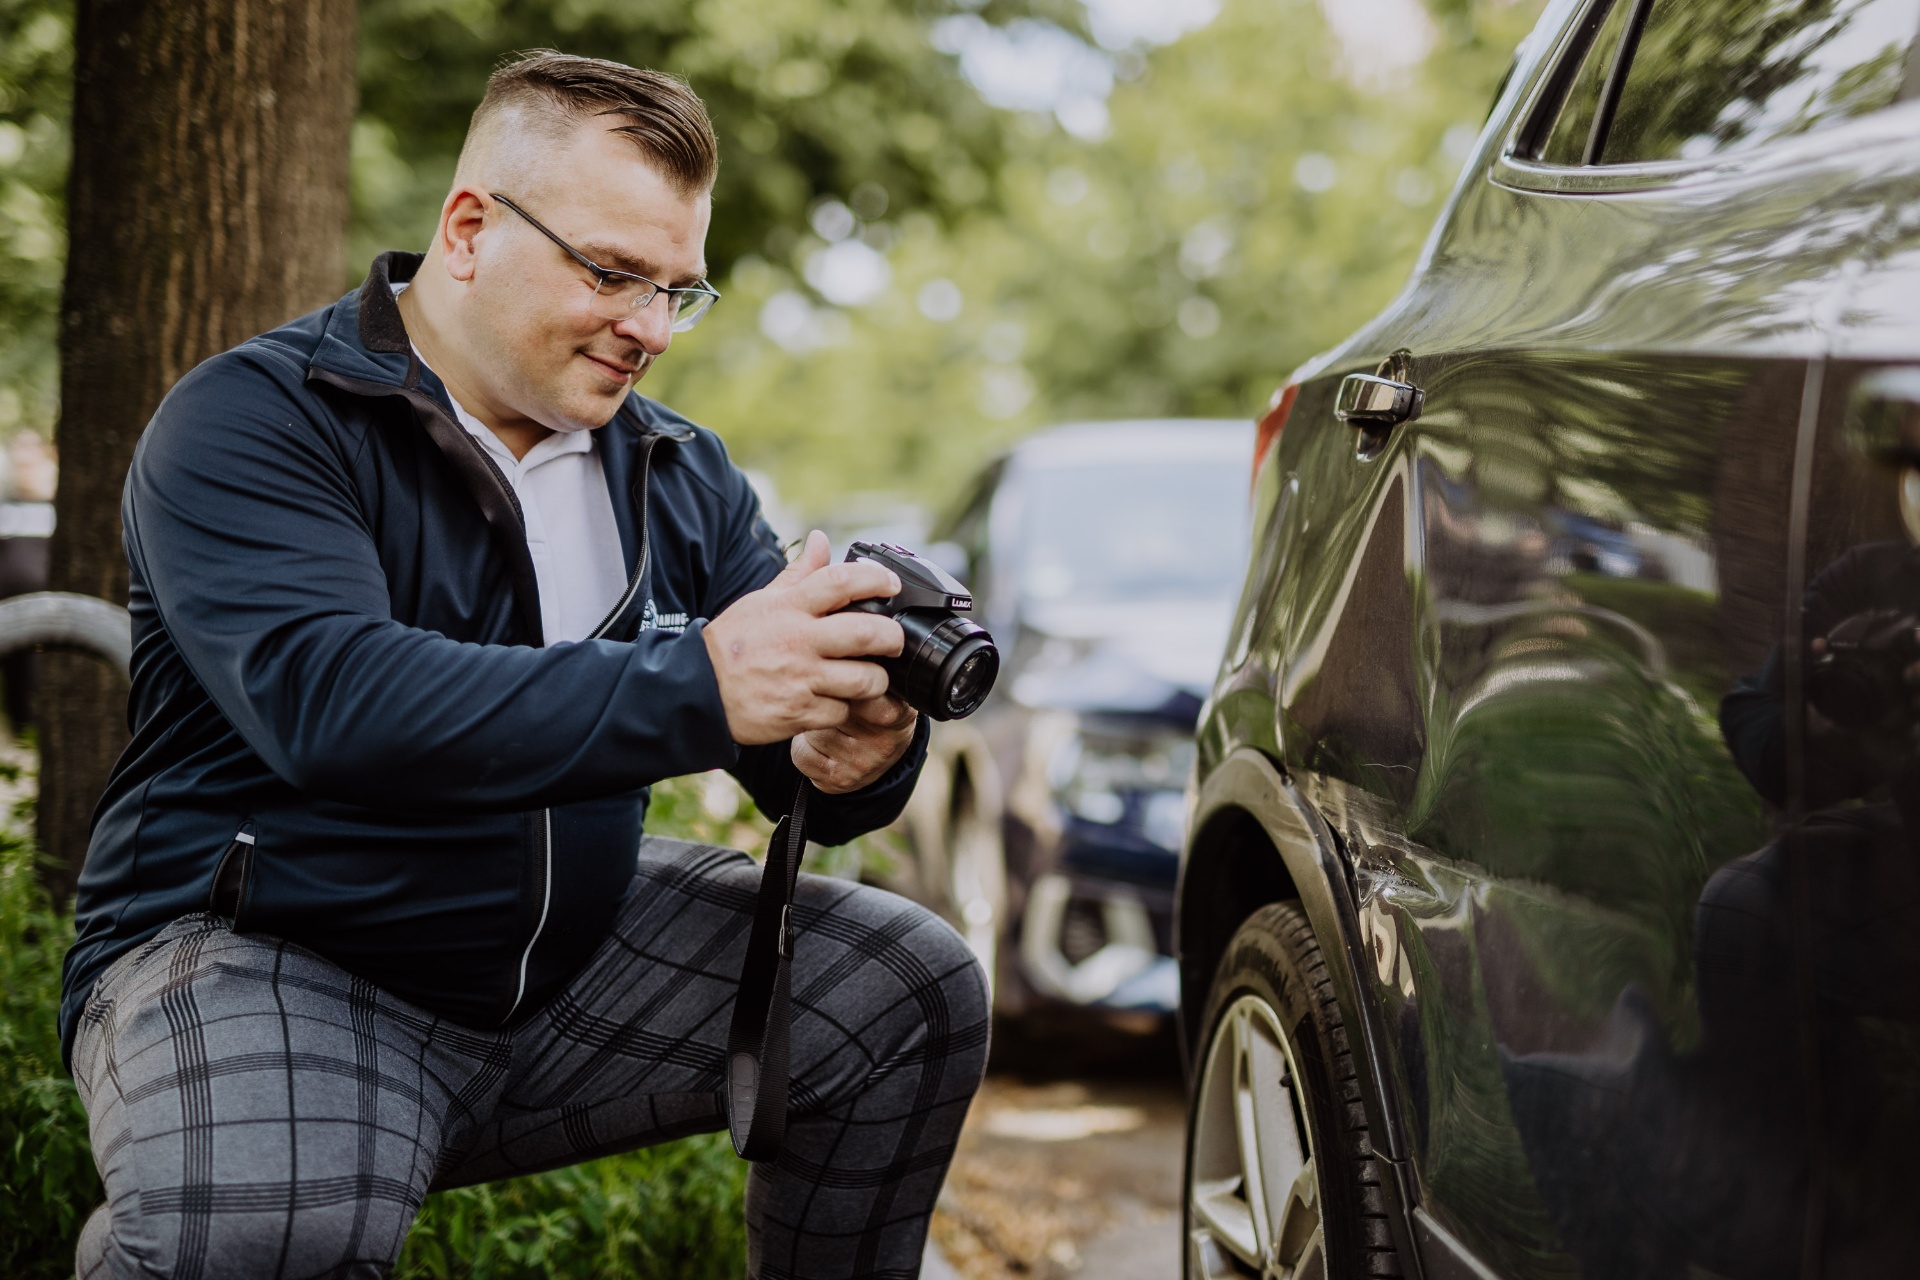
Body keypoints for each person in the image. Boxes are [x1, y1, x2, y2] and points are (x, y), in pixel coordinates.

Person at [60, 51, 987, 1280]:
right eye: (612, 272)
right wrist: (711, 684)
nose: (651, 327)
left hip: (570, 959)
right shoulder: (256, 418)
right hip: (275, 951)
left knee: (907, 992)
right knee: (264, 1233)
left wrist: (854, 749)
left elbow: (788, 758)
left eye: (678, 290)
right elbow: (337, 706)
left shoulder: (676, 467)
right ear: (467, 229)